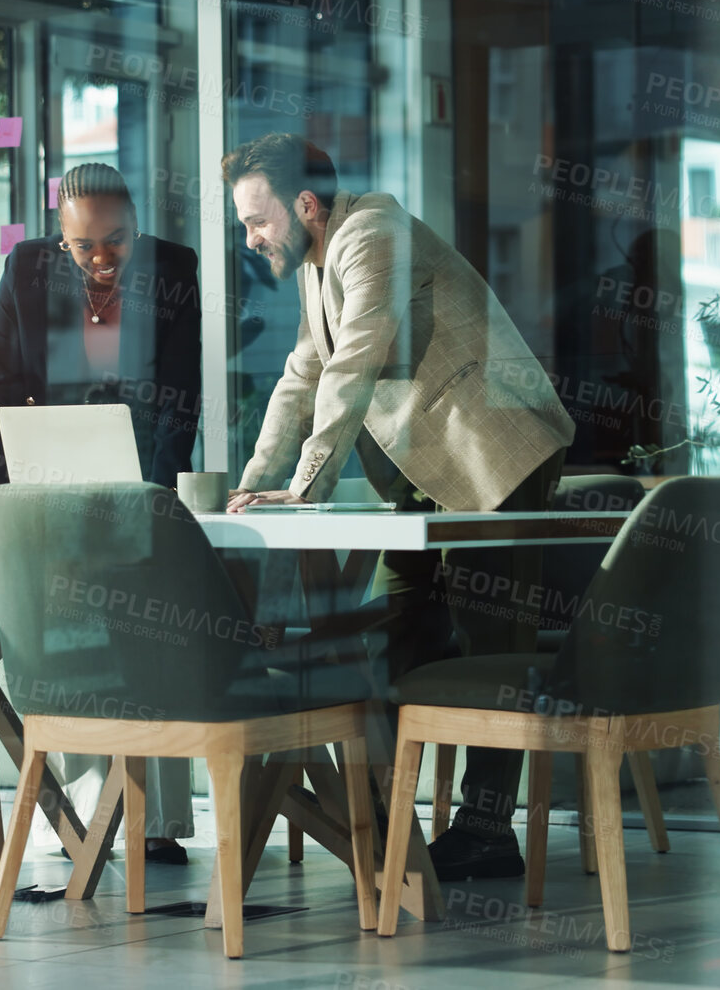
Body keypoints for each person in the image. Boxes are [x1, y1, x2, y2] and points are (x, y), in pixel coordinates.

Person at [222, 133, 575, 880]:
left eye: (257, 221)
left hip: (497, 456)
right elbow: (299, 376)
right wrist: (253, 486)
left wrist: (306, 484)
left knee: (492, 649)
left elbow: (353, 358)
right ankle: (382, 823)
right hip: (426, 477)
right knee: (395, 634)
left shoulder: (371, 234)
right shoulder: (314, 266)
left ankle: (485, 833)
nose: (250, 239)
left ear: (305, 206)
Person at [0, 162, 201, 863]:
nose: (102, 257)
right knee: (68, 639)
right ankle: (79, 822)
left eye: (117, 240)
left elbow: (178, 399)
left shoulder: (172, 271)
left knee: (145, 638)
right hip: (49, 489)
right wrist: (3, 489)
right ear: (58, 239)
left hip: (139, 488)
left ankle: (153, 824)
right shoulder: (27, 269)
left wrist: (153, 502)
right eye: (83, 245)